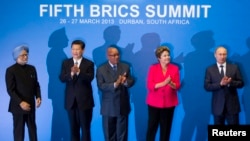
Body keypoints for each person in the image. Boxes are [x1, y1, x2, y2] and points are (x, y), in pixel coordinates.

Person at [96, 45, 135, 141]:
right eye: (113, 55)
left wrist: (125, 81)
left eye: (117, 55)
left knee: (122, 135)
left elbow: (131, 81)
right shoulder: (101, 69)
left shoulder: (125, 66)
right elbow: (101, 86)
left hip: (122, 106)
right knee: (109, 135)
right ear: (108, 56)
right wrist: (115, 84)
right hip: (108, 107)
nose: (116, 57)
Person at [59, 40, 94, 141]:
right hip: (70, 102)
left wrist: (79, 72)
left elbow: (90, 78)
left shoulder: (89, 63)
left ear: (83, 50)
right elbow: (61, 78)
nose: (75, 51)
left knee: (85, 129)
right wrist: (70, 74)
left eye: (77, 49)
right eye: (73, 49)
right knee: (73, 129)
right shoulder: (66, 63)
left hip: (85, 102)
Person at [5, 45, 42, 141]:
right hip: (18, 106)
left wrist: (38, 97)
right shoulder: (11, 70)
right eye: (23, 55)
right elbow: (10, 90)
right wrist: (21, 102)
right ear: (17, 56)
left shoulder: (32, 69)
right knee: (19, 132)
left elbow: (36, 85)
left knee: (33, 130)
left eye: (26, 55)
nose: (26, 57)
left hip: (30, 105)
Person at [146, 46, 181, 141]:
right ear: (159, 58)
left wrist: (171, 84)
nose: (167, 57)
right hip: (154, 103)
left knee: (166, 129)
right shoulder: (153, 68)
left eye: (168, 55)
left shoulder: (175, 68)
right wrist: (164, 83)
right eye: (164, 55)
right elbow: (150, 85)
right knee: (151, 128)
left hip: (169, 103)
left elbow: (177, 86)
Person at [204, 46, 244, 125]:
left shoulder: (234, 68)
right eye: (220, 54)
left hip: (232, 107)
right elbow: (207, 86)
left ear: (227, 55)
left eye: (224, 54)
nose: (222, 56)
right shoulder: (210, 69)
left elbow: (241, 83)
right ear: (215, 55)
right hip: (217, 107)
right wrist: (220, 84)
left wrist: (230, 82)